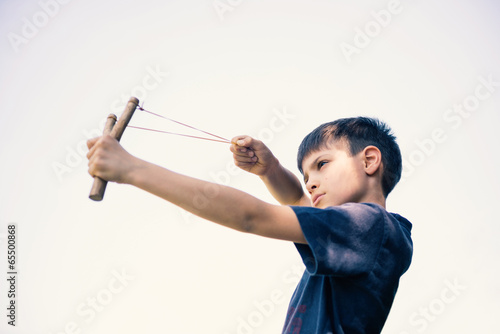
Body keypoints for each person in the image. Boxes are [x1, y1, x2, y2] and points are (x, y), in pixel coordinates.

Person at [87, 116, 413, 333]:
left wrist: (131, 169)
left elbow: (252, 217)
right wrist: (269, 170)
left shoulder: (368, 225)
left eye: (322, 165)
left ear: (369, 160)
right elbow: (299, 201)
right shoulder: (366, 235)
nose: (311, 183)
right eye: (306, 175)